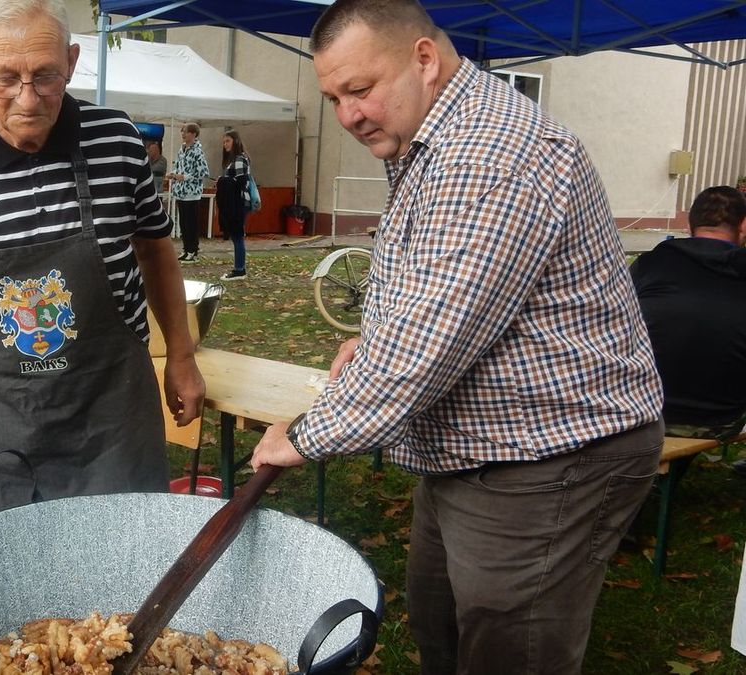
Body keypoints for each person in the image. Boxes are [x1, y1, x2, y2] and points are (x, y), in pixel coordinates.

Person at [248, 2, 663, 673]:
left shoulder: (491, 153)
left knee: (510, 646)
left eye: (360, 89)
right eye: (333, 98)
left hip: (552, 451)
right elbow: (439, 285)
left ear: (424, 59)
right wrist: (375, 336)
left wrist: (303, 434)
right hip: (472, 439)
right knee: (438, 616)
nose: (349, 114)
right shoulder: (430, 139)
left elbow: (424, 352)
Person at [0, 0, 205, 529]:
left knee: (124, 576)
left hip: (111, 417)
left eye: (45, 76)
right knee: (3, 585)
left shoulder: (118, 143)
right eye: (6, 78)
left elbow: (156, 253)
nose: (28, 98)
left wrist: (181, 356)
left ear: (71, 63)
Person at [631, 186, 746, 444]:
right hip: (721, 418)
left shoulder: (651, 264)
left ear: (688, 224)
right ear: (743, 225)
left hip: (645, 411)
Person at [167, 123, 209, 263]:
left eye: (185, 131)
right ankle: (186, 249)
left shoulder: (197, 151)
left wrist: (185, 177)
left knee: (191, 222)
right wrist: (173, 174)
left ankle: (193, 250)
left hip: (192, 193)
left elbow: (203, 172)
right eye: (182, 131)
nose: (183, 134)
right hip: (181, 191)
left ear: (193, 134)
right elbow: (179, 166)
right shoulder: (182, 150)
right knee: (184, 223)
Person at [216, 130, 251, 281]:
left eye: (228, 141)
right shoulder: (234, 159)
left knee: (237, 236)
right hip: (236, 202)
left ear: (235, 141)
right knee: (237, 236)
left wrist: (224, 181)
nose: (225, 145)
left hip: (238, 203)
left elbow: (241, 182)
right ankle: (239, 268)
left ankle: (239, 269)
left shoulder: (239, 159)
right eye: (224, 142)